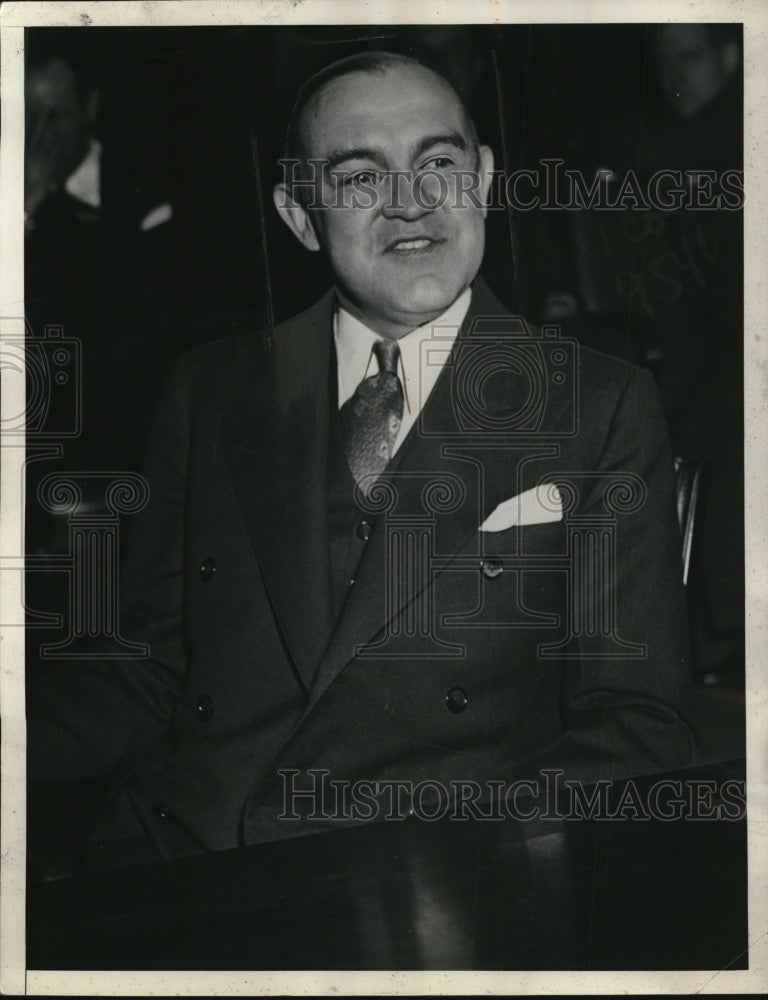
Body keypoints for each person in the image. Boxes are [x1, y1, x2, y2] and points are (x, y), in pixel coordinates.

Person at [27, 52, 695, 871]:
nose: (410, 202)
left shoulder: (599, 404)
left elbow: (636, 724)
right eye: (357, 178)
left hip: (432, 878)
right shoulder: (214, 390)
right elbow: (144, 675)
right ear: (300, 216)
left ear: (483, 179)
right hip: (186, 854)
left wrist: (465, 862)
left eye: (438, 163)